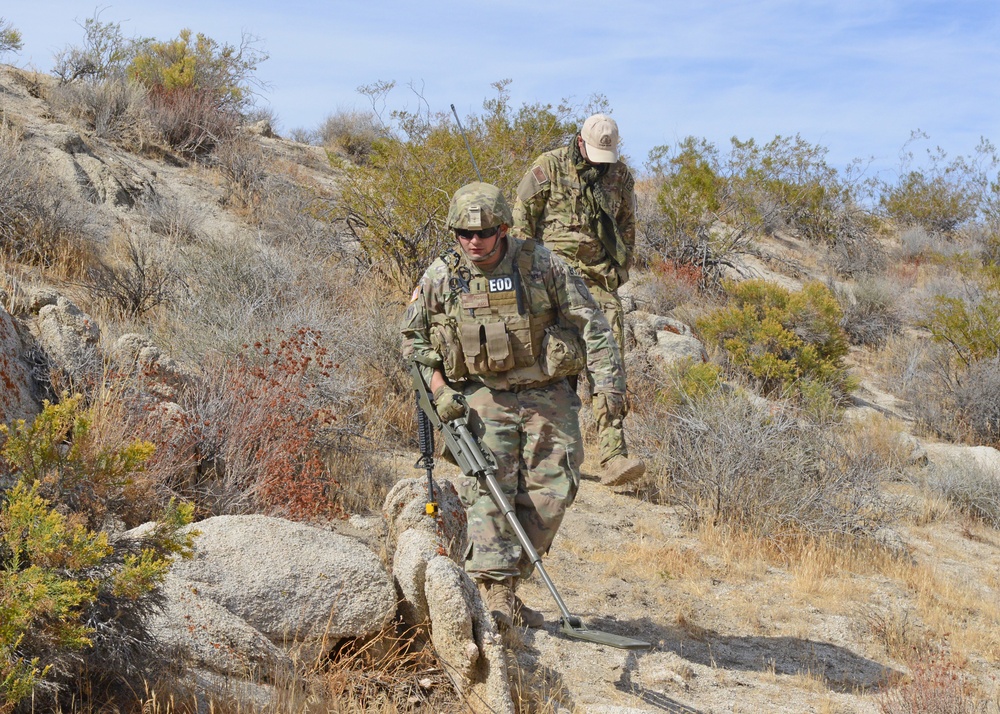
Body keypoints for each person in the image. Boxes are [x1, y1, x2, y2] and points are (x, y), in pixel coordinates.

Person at [401, 182, 628, 630]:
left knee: (554, 489)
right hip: (482, 392)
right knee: (489, 485)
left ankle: (509, 580)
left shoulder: (541, 264)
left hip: (547, 391)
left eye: (484, 231)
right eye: (463, 233)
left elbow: (594, 326)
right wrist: (440, 389)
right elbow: (413, 339)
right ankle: (494, 590)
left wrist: (608, 387)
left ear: (503, 227)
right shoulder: (441, 276)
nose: (474, 242)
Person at [512, 113, 646, 488]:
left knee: (610, 360)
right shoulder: (548, 166)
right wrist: (528, 277)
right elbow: (522, 221)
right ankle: (559, 453)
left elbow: (627, 225)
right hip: (553, 279)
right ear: (581, 140)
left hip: (599, 280)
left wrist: (620, 270)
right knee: (559, 361)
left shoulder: (619, 175)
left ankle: (614, 454)